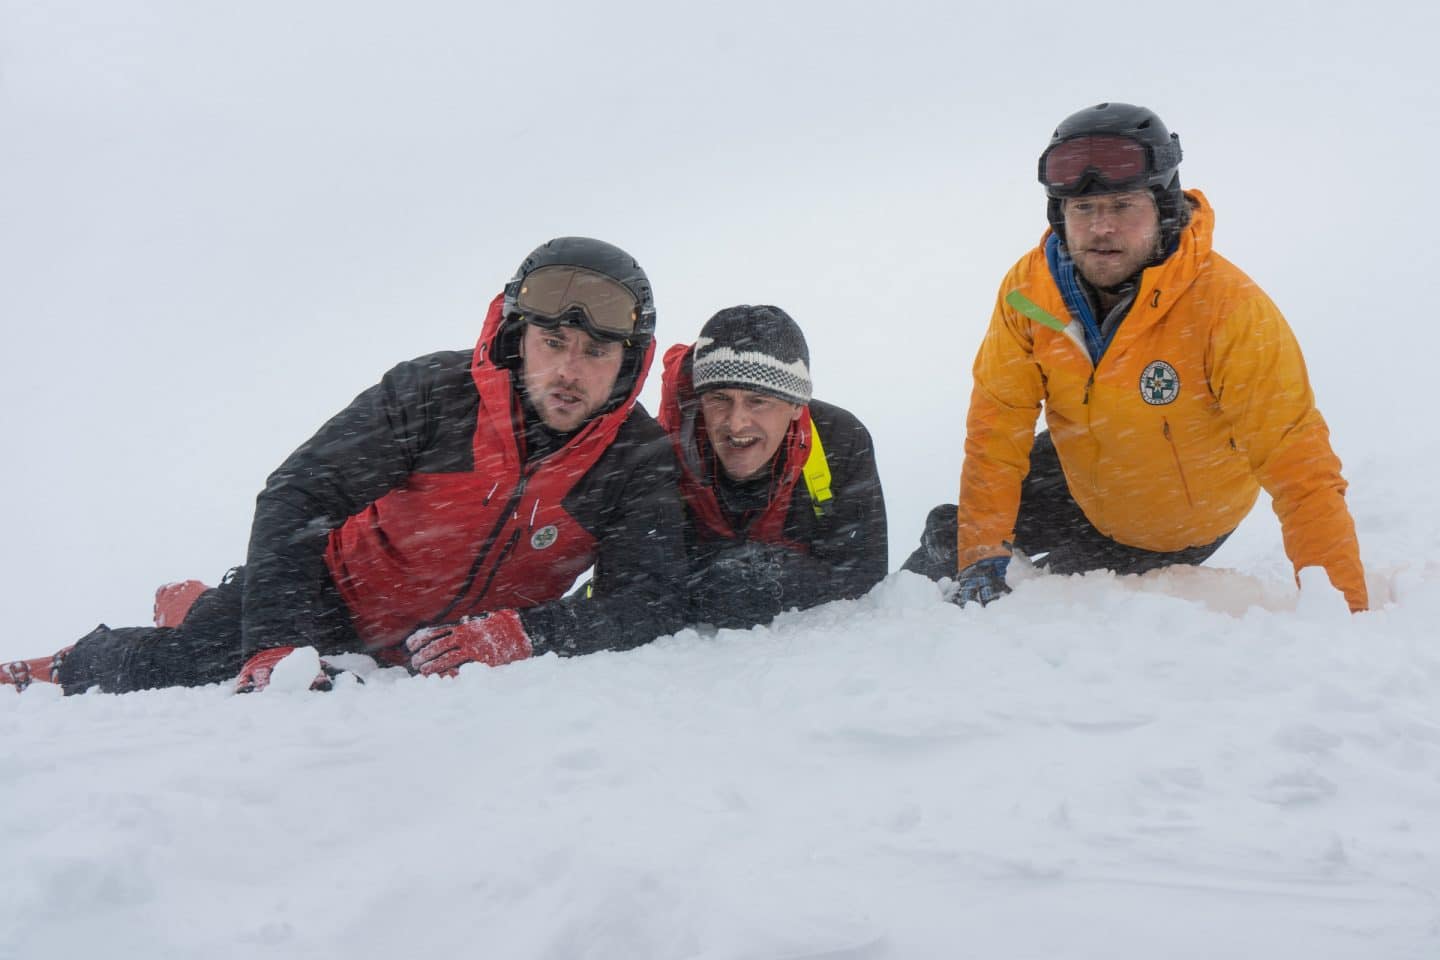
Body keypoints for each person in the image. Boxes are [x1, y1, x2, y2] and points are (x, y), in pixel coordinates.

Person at [5, 237, 689, 694]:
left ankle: (195, 602)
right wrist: (276, 643)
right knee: (178, 665)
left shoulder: (637, 459)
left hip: (445, 650)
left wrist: (520, 634)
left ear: (628, 363)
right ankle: (57, 665)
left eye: (597, 352)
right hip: (327, 598)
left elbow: (649, 601)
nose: (570, 371)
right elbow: (296, 495)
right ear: (517, 337)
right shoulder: (431, 394)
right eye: (554, 341)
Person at [903, 102, 1368, 612]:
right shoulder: (1028, 292)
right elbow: (998, 429)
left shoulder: (1228, 308)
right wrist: (981, 557)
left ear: (1164, 208)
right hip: (1086, 471)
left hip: (1174, 522)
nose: (1102, 228)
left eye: (1123, 205)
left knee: (1061, 589)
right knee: (952, 540)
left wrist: (1344, 609)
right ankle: (875, 626)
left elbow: (1298, 466)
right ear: (1060, 215)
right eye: (1083, 209)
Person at [658, 304, 888, 629]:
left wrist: (773, 573)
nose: (736, 423)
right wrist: (721, 577)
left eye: (758, 401)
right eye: (719, 398)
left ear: (796, 405)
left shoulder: (840, 440)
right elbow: (640, 594)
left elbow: (865, 580)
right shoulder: (659, 454)